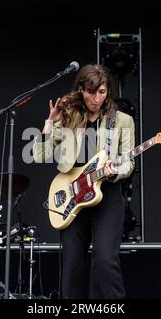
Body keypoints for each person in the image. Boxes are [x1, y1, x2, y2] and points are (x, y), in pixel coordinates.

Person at [33, 64, 135, 298]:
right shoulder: (70, 117)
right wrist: (50, 124)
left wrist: (115, 171)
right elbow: (40, 155)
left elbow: (129, 162)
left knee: (105, 260)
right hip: (72, 196)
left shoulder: (121, 121)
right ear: (81, 90)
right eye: (91, 92)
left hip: (106, 195)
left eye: (101, 92)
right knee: (71, 266)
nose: (96, 98)